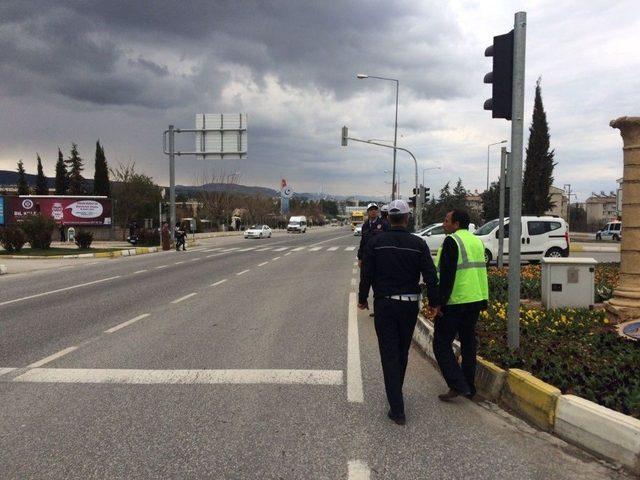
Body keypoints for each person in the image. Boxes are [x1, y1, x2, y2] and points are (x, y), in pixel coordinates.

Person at [358, 199, 440, 425]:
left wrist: (363, 298)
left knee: (389, 354)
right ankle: (396, 394)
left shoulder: (376, 241)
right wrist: (435, 302)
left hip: (385, 305)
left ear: (387, 218)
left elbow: (367, 273)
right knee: (402, 351)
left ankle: (397, 407)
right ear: (406, 218)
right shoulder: (419, 244)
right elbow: (431, 275)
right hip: (409, 306)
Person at [433, 209, 489, 401]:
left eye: (447, 220)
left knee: (441, 343)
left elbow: (447, 276)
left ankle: (458, 384)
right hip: (475, 300)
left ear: (456, 224)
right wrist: (484, 300)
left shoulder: (452, 241)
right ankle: (470, 387)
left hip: (456, 301)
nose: (443, 223)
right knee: (468, 344)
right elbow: (481, 272)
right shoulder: (476, 241)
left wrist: (439, 303)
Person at [357, 203, 389, 317]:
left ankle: (379, 310)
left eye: (375, 209)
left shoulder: (384, 224)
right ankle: (363, 302)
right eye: (371, 210)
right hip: (367, 260)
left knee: (378, 287)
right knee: (364, 283)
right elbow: (362, 243)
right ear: (368, 212)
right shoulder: (365, 226)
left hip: (379, 261)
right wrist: (360, 258)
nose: (373, 211)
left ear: (378, 211)